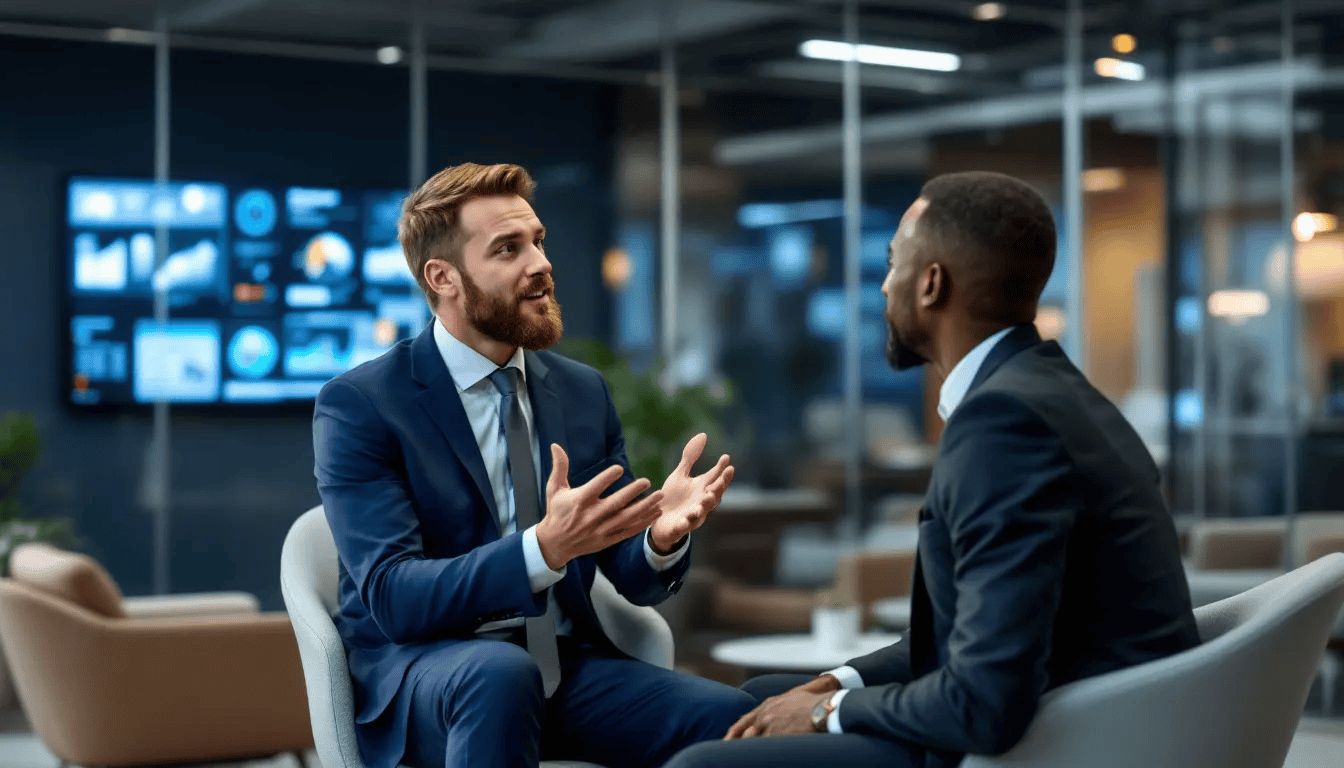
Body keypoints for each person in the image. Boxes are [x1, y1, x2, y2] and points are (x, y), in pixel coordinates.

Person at [666, 171, 1201, 768]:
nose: (882, 287)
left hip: (1065, 741)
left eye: (893, 263)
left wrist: (826, 713)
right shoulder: (1052, 393)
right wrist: (836, 683)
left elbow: (985, 702)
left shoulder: (1004, 423)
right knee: (756, 700)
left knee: (700, 764)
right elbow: (969, 635)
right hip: (1081, 705)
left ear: (931, 283)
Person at [313, 162, 756, 768]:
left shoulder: (581, 392)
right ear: (443, 277)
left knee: (734, 720)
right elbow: (394, 596)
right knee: (500, 675)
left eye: (539, 242)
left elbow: (627, 575)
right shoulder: (362, 404)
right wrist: (542, 550)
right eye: (508, 249)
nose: (541, 264)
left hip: (563, 670)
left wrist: (658, 540)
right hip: (426, 672)